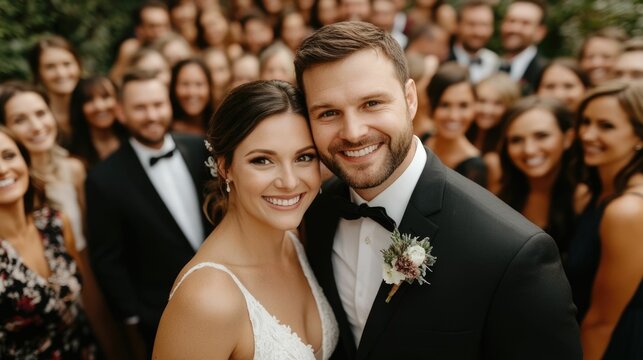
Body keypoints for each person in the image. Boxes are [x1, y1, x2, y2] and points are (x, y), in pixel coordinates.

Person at [295, 21, 581, 359]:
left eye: (372, 103)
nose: (353, 132)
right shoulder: (314, 213)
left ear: (410, 99)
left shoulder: (511, 252)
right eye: (328, 112)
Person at [153, 80, 339, 359]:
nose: (289, 182)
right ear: (225, 166)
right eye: (262, 160)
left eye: (304, 157)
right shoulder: (207, 299)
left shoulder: (294, 241)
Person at [85, 69, 211, 357]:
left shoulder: (201, 148)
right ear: (121, 112)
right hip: (160, 313)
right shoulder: (103, 179)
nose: (152, 115)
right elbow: (107, 257)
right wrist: (135, 316)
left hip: (227, 293)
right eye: (140, 108)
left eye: (157, 104)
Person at [0, 126, 124, 359]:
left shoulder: (53, 223)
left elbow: (88, 301)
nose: (2, 168)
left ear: (25, 162)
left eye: (9, 155)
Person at [567, 81, 643, 359]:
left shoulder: (629, 210)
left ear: (639, 136)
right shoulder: (592, 193)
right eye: (585, 122)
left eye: (606, 126)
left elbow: (602, 322)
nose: (588, 134)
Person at [0, 83, 87, 255]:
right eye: (20, 120)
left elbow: (89, 238)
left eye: (41, 113)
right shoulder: (8, 185)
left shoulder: (74, 169)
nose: (37, 127)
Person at [497, 96, 576, 260]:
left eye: (541, 136)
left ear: (568, 138)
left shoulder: (583, 200)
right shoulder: (500, 193)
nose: (529, 150)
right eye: (516, 140)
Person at [425, 62, 488, 187]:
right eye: (444, 105)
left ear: (474, 108)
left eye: (463, 106)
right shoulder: (420, 142)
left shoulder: (476, 168)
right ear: (431, 106)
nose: (453, 116)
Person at [467, 72, 521, 193]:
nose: (487, 110)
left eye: (498, 103)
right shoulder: (464, 132)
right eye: (482, 101)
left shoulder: (502, 150)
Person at [29, 35, 82, 148]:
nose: (61, 73)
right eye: (50, 67)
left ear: (78, 65)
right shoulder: (36, 119)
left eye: (67, 64)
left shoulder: (94, 107)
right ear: (38, 73)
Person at [69, 76, 128, 169]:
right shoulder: (74, 155)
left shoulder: (136, 138)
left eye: (105, 97)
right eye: (89, 100)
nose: (99, 106)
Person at [499, 0, 548, 94]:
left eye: (525, 23)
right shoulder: (491, 65)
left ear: (540, 32)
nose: (514, 29)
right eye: (511, 21)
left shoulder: (545, 72)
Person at [448, 0, 499, 83]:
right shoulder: (441, 60)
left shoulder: (494, 61)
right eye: (471, 24)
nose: (478, 32)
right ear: (456, 25)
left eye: (484, 25)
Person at [169, 58, 215, 135]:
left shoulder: (221, 127)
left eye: (199, 84)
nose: (192, 92)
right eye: (185, 84)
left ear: (210, 87)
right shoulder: (164, 131)